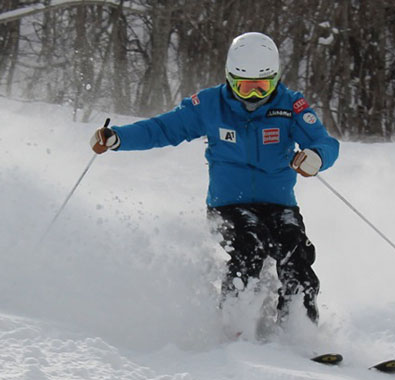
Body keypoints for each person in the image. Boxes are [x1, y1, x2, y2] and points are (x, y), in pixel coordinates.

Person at [89, 32, 339, 325]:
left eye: (263, 86)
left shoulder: (290, 106)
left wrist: (316, 157)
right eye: (245, 87)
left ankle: (298, 329)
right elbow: (163, 129)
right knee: (250, 244)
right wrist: (118, 138)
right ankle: (234, 323)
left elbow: (325, 143)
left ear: (275, 79)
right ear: (231, 79)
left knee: (295, 252)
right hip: (229, 207)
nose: (254, 97)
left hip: (279, 205)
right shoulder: (208, 105)